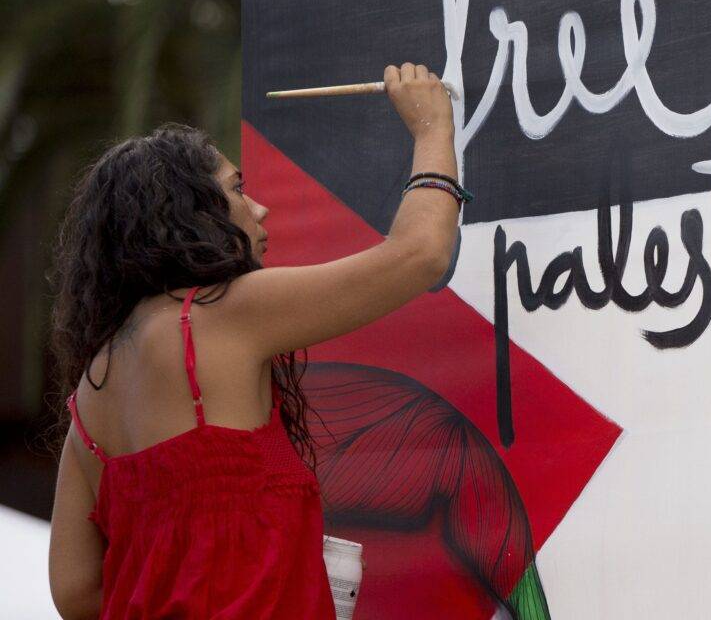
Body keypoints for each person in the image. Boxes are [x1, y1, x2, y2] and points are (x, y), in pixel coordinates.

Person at [47, 62, 460, 619]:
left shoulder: (92, 392)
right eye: (237, 189)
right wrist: (433, 129)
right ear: (184, 216)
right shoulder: (217, 313)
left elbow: (75, 593)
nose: (260, 207)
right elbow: (419, 254)